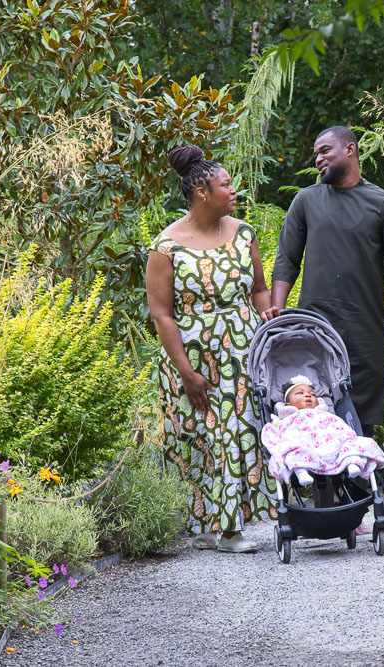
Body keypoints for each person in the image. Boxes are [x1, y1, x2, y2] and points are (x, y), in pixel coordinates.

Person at [270, 126, 384, 535]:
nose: (318, 159)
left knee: (360, 411)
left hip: (364, 325)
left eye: (325, 151)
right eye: (315, 153)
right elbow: (287, 259)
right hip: (314, 326)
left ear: (350, 150)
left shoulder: (382, 203)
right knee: (315, 409)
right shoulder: (306, 201)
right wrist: (278, 308)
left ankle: (354, 513)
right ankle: (324, 513)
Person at [146, 145, 277, 554]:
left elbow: (258, 289)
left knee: (238, 431)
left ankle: (231, 530)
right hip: (193, 357)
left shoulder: (243, 233)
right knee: (199, 434)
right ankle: (205, 524)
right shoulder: (166, 246)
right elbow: (162, 316)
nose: (233, 191)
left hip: (242, 352)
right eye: (226, 185)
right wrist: (186, 372)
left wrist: (272, 321)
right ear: (202, 192)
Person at [261, 375, 384, 486]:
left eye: (312, 394)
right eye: (300, 393)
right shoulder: (286, 417)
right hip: (305, 443)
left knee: (351, 441)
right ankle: (301, 472)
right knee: (291, 448)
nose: (308, 395)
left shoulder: (324, 413)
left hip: (331, 442)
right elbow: (278, 434)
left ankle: (352, 463)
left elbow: (339, 427)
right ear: (287, 404)